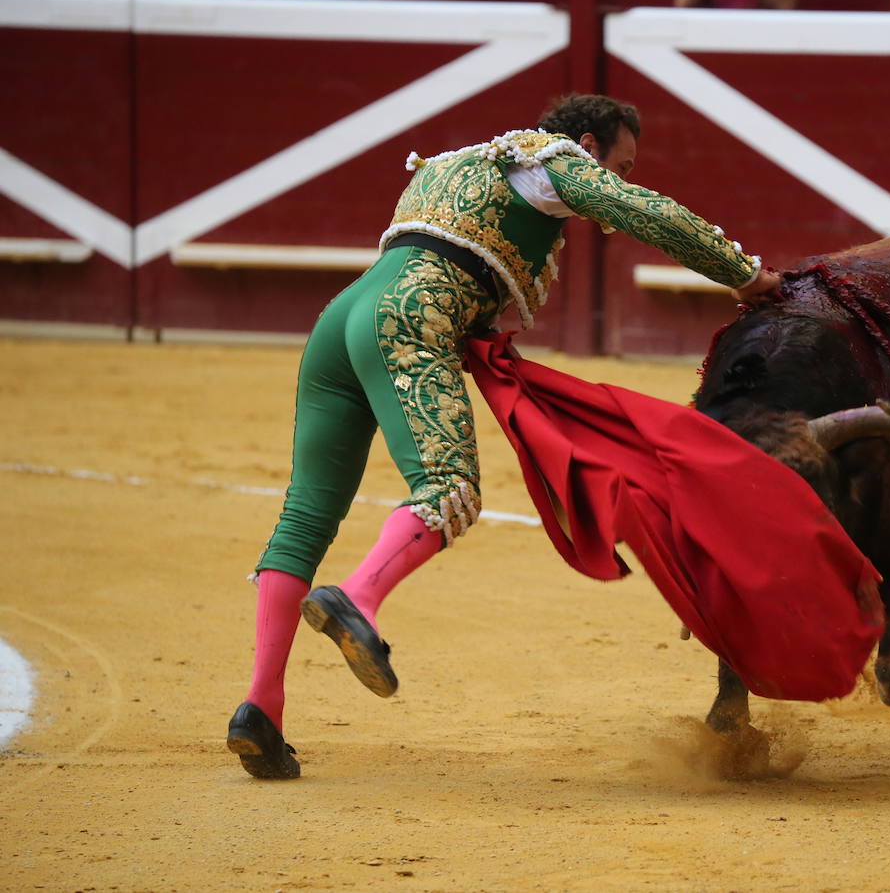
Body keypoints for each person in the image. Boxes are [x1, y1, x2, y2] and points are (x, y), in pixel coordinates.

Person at [226, 93, 783, 779]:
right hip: (409, 313)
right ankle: (359, 597)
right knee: (447, 488)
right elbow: (644, 213)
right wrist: (744, 273)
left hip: (343, 319)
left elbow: (449, 255)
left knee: (306, 512)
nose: (623, 179)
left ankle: (261, 709)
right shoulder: (553, 161)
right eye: (622, 163)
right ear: (585, 141)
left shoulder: (452, 163)